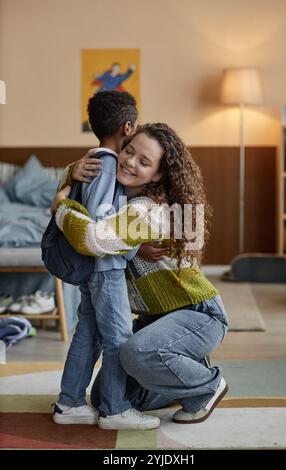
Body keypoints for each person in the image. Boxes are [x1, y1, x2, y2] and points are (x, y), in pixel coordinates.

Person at [53, 123, 229, 424]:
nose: (130, 162)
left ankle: (208, 385)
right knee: (105, 397)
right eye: (128, 151)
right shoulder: (117, 199)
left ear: (157, 174)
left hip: (199, 315)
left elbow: (92, 239)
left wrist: (60, 207)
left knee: (136, 352)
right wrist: (73, 171)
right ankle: (182, 367)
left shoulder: (148, 210)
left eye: (144, 162)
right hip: (154, 321)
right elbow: (97, 170)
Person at [52, 91, 161, 431]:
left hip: (98, 269)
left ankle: (68, 403)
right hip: (105, 268)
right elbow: (101, 222)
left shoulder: (93, 160)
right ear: (128, 126)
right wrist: (132, 243)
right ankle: (115, 410)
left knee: (89, 333)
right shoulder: (106, 163)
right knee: (118, 337)